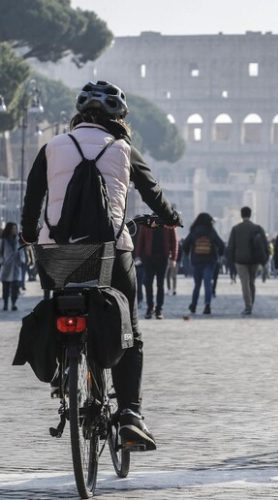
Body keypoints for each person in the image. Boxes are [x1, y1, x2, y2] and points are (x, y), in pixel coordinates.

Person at [21, 80, 182, 450]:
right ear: (118, 117)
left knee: (61, 299)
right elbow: (153, 194)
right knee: (131, 331)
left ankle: (66, 361)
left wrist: (31, 236)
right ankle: (130, 415)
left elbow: (32, 202)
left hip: (55, 254)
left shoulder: (51, 148)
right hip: (111, 254)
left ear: (77, 116)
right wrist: (171, 217)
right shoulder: (124, 149)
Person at [227, 206, 269, 315]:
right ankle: (252, 302)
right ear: (250, 215)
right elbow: (265, 244)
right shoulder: (257, 228)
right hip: (254, 259)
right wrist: (264, 259)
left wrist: (230, 262)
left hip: (240, 260)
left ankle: (248, 305)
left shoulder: (236, 229)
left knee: (244, 284)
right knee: (252, 282)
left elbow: (231, 246)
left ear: (241, 215)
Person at [183, 213, 224, 315]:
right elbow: (221, 244)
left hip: (197, 261)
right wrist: (219, 254)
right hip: (210, 261)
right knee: (207, 284)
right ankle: (207, 305)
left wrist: (188, 253)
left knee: (197, 285)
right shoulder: (211, 231)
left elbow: (185, 244)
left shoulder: (194, 231)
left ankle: (193, 305)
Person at [136, 223, 178, 319]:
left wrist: (174, 258)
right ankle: (150, 308)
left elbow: (174, 241)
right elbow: (140, 240)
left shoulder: (168, 223)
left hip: (163, 258)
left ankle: (159, 309)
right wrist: (138, 255)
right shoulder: (147, 223)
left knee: (160, 284)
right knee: (148, 283)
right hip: (148, 258)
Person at [1, 222, 25, 311]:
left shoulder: (18, 240)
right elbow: (1, 252)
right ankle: (6, 304)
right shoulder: (3, 240)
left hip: (16, 267)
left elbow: (22, 251)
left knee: (15, 288)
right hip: (6, 267)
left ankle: (13, 304)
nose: (15, 230)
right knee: (5, 288)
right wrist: (3, 262)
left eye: (16, 228)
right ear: (9, 229)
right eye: (13, 228)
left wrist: (21, 261)